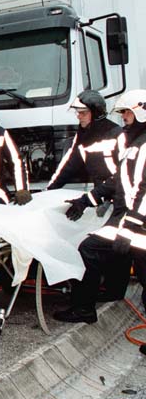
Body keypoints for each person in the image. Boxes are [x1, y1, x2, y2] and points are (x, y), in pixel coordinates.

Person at [55, 90, 146, 322]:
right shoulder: (133, 144)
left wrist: (130, 226)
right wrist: (86, 200)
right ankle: (100, 298)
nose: (123, 117)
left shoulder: (142, 146)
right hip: (127, 217)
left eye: (126, 112)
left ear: (139, 112)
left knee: (90, 249)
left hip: (137, 222)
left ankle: (84, 308)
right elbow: (116, 181)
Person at [48, 90, 123, 197]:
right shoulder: (82, 136)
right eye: (78, 112)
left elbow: (126, 173)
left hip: (121, 195)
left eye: (83, 113)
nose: (79, 116)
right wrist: (49, 190)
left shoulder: (117, 134)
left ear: (97, 113)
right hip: (100, 195)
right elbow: (69, 166)